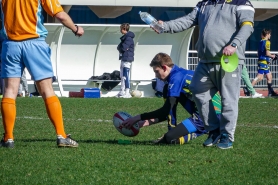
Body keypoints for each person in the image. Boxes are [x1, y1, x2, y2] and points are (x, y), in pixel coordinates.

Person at [152, 0, 255, 149]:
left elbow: (247, 26)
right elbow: (187, 20)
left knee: (228, 100)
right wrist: (165, 26)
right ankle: (213, 130)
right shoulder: (204, 4)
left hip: (228, 61)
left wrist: (234, 44)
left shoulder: (241, 2)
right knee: (197, 89)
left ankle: (226, 136)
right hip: (205, 61)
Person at [0, 0, 84, 148]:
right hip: (34, 44)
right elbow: (60, 15)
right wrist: (75, 28)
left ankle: (8, 138)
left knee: (9, 91)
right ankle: (61, 135)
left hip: (10, 45)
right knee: (47, 90)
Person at [122, 53, 222, 145]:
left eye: (157, 72)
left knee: (170, 138)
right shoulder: (180, 74)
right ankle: (208, 130)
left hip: (209, 115)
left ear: (165, 68)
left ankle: (211, 130)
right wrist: (141, 123)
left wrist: (137, 117)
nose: (156, 76)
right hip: (208, 113)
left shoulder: (176, 78)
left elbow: (165, 111)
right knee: (170, 137)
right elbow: (167, 111)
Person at [251, 29, 278, 97]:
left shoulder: (260, 42)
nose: (270, 35)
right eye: (270, 34)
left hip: (263, 61)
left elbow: (258, 53)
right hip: (264, 62)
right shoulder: (267, 42)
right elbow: (267, 53)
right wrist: (273, 56)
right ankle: (249, 88)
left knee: (269, 76)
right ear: (267, 34)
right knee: (259, 77)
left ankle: (270, 91)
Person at [116, 23, 135, 98]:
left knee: (126, 75)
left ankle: (127, 92)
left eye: (121, 29)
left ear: (124, 29)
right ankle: (122, 91)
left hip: (127, 58)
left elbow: (123, 48)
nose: (120, 30)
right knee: (122, 75)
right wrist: (121, 48)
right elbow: (119, 47)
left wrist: (121, 48)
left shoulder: (128, 38)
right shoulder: (125, 38)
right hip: (124, 58)